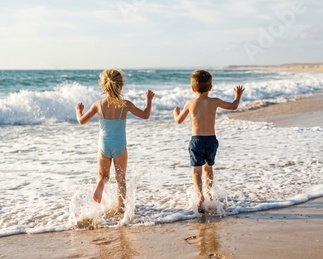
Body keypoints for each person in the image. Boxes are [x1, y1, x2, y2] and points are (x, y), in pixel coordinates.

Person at [75, 68, 155, 214]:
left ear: (103, 86)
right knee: (120, 179)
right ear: (121, 86)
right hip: (120, 146)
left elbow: (81, 121)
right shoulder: (125, 104)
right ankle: (121, 209)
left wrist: (78, 110)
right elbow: (145, 115)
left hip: (104, 145)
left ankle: (100, 183)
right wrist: (148, 100)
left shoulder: (98, 105)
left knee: (103, 176)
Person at [173, 69, 245, 213]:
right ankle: (210, 194)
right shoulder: (215, 101)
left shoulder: (190, 103)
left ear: (192, 88)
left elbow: (178, 120)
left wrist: (175, 112)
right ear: (210, 87)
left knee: (196, 170)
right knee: (208, 168)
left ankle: (200, 196)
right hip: (211, 141)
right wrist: (237, 95)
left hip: (196, 140)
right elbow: (233, 106)